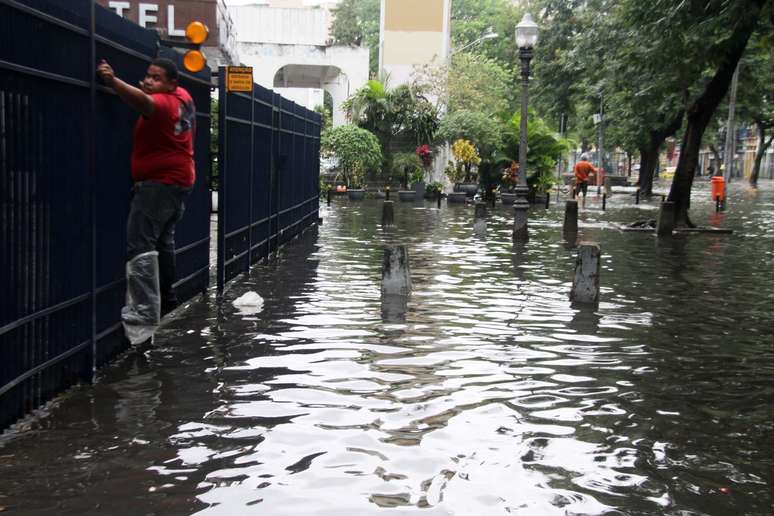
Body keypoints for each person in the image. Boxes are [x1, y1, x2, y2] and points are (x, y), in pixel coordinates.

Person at [96, 57, 196, 342]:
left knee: (140, 246)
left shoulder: (162, 105)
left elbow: (143, 102)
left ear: (171, 84)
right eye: (147, 76)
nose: (149, 81)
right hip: (179, 180)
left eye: (156, 78)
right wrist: (148, 88)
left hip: (158, 185)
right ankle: (167, 298)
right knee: (164, 243)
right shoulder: (183, 98)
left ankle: (143, 318)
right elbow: (149, 96)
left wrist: (112, 81)